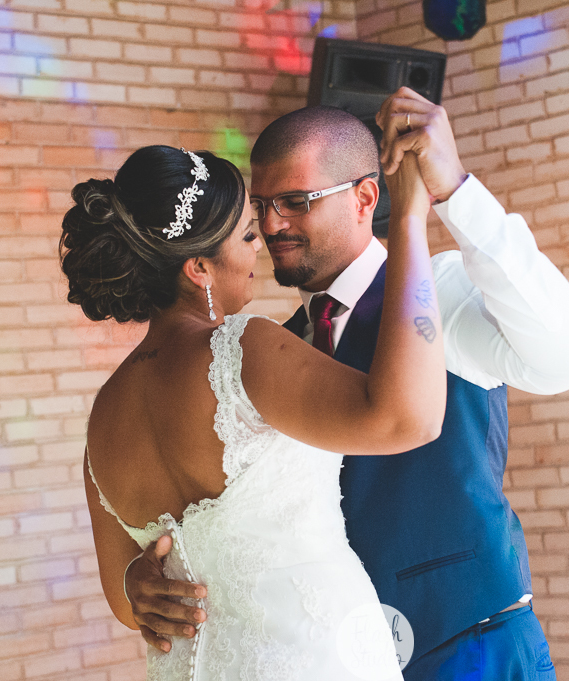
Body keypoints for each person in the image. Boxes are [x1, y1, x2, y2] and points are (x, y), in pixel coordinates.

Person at [124, 89, 569, 680]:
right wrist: (145, 576)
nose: (272, 226)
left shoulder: (443, 291)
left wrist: (453, 189)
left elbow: (568, 359)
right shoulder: (275, 349)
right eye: (264, 205)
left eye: (296, 202)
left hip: (469, 645)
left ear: (365, 197)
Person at [63, 141, 448, 680]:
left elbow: (125, 601)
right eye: (246, 236)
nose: (259, 250)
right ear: (198, 267)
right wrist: (407, 218)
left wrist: (137, 583)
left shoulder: (104, 415)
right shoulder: (241, 352)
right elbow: (409, 418)